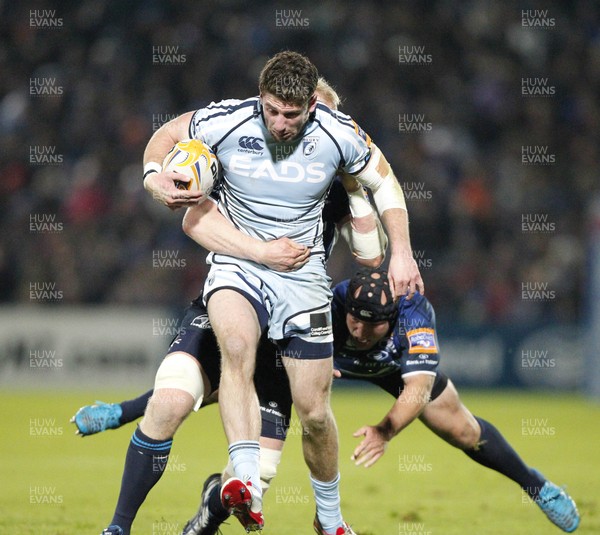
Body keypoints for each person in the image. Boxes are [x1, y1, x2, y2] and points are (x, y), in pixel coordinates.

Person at [139, 50, 423, 534]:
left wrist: (403, 253)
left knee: (313, 412)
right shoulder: (227, 119)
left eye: (291, 114)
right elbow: (167, 135)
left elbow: (386, 183)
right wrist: (152, 176)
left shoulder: (339, 134)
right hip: (239, 264)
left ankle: (329, 519)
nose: (279, 123)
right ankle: (244, 479)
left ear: (312, 105)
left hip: (302, 276)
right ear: (261, 98)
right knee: (236, 351)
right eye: (271, 110)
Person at [77, 267, 580, 534]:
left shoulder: (414, 316)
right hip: (312, 377)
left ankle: (537, 488)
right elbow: (222, 382)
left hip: (390, 374)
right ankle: (215, 502)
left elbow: (418, 388)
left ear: (392, 321)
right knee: (256, 481)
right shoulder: (325, 305)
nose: (359, 327)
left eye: (371, 323)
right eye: (354, 319)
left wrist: (384, 430)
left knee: (465, 431)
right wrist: (129, 410)